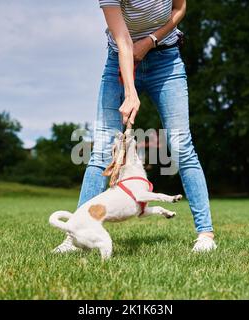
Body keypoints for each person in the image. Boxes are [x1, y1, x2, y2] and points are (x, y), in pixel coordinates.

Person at [54, 0, 216, 253]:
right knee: (102, 150)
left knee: (182, 145)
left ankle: (205, 234)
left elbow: (179, 9)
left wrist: (151, 40)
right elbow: (123, 41)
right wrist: (130, 92)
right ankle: (74, 238)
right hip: (119, 58)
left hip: (167, 60)